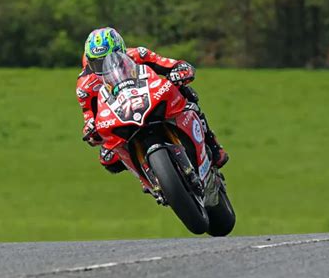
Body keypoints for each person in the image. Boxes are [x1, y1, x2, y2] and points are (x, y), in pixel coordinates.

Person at [77, 27, 228, 173]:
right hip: (119, 115)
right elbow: (90, 116)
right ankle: (149, 177)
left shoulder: (138, 55)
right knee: (108, 159)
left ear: (122, 50)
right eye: (98, 63)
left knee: (186, 93)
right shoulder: (85, 85)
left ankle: (212, 144)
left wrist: (179, 71)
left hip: (149, 98)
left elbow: (170, 64)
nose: (105, 67)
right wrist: (91, 129)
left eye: (112, 58)